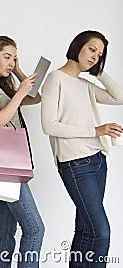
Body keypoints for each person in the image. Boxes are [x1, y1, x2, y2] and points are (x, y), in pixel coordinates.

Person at [41, 30, 123, 267]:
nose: (95, 56)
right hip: (75, 163)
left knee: (87, 231)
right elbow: (49, 125)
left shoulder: (85, 84)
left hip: (97, 160)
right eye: (92, 49)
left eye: (100, 54)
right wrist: (96, 130)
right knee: (101, 234)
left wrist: (100, 72)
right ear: (78, 46)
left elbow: (119, 98)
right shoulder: (55, 79)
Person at [0, 36, 45, 267]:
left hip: (13, 161)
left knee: (6, 230)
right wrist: (20, 92)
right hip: (4, 163)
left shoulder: (2, 85)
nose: (11, 62)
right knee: (35, 229)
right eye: (6, 57)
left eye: (14, 58)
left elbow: (36, 98)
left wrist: (19, 72)